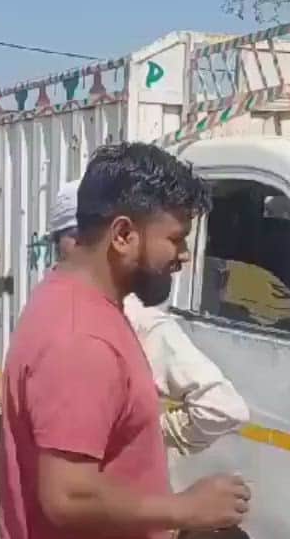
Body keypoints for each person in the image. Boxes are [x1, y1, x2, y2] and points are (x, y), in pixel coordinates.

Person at [0, 143, 251, 539]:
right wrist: (185, 508)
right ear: (122, 235)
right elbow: (68, 497)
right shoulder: (82, 339)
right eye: (175, 238)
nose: (184, 256)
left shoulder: (75, 302)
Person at [48, 179, 249, 455]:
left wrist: (141, 434)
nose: (184, 255)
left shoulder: (135, 320)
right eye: (74, 237)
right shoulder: (59, 311)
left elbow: (222, 407)